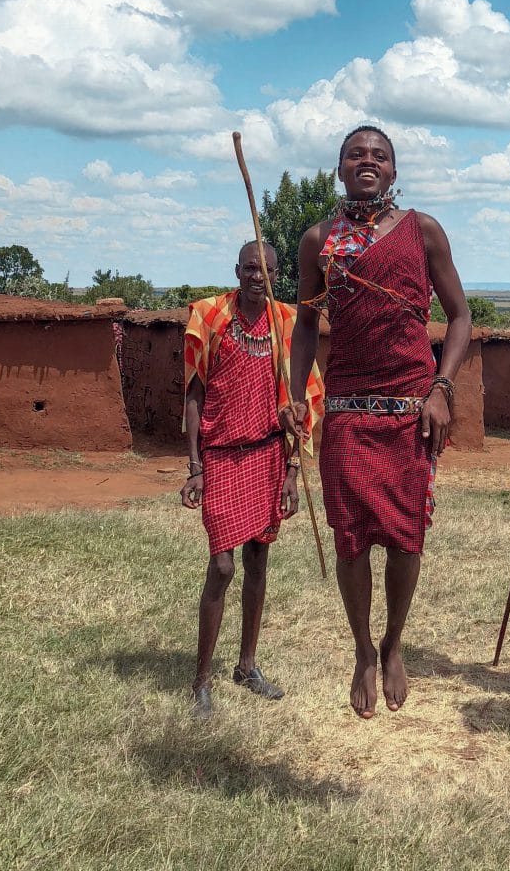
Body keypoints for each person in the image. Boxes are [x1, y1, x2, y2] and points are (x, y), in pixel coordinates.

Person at [285, 125, 471, 719]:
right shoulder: (319, 240)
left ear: (394, 170)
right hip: (344, 408)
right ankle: (363, 650)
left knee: (405, 534)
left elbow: (460, 316)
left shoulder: (423, 231)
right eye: (355, 154)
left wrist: (441, 388)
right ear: (338, 169)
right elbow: (306, 326)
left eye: (379, 155)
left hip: (412, 409)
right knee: (351, 539)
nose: (368, 162)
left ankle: (394, 643)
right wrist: (296, 396)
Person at [181, 241, 324, 717]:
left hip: (267, 455)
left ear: (276, 274)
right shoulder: (210, 317)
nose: (256, 277)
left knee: (258, 561)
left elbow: (302, 402)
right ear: (236, 270)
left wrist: (290, 470)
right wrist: (195, 466)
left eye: (265, 270)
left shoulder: (287, 323)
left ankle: (246, 665)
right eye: (248, 269)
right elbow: (194, 394)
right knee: (222, 567)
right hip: (221, 456)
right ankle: (201, 680)